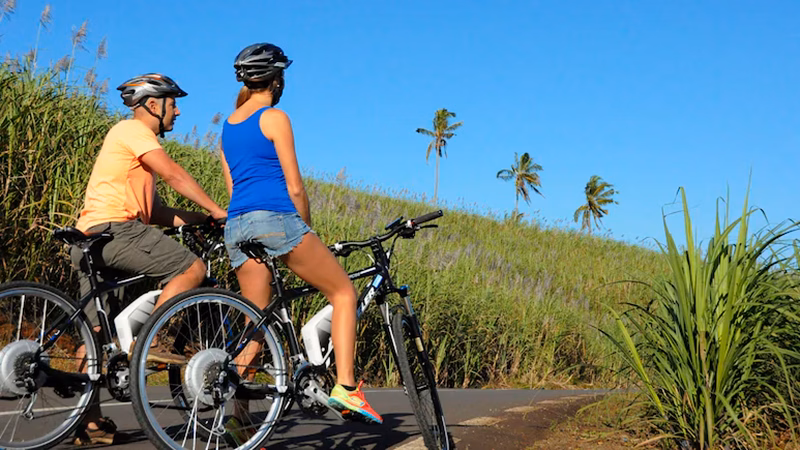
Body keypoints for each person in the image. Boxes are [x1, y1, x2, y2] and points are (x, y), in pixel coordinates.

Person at [219, 43, 382, 442]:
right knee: (343, 293)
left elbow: (233, 187)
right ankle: (346, 388)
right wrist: (305, 230)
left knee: (254, 324)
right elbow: (294, 185)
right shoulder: (274, 117)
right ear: (276, 79)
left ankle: (237, 417)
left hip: (237, 226)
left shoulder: (227, 126)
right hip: (276, 220)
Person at [68, 73, 227, 445]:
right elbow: (172, 174)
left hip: (89, 237)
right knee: (192, 268)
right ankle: (153, 340)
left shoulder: (127, 142)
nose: (178, 111)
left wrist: (201, 219)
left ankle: (89, 425)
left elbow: (154, 211)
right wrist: (217, 208)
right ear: (153, 105)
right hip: (117, 231)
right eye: (173, 103)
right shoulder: (135, 131)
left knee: (96, 335)